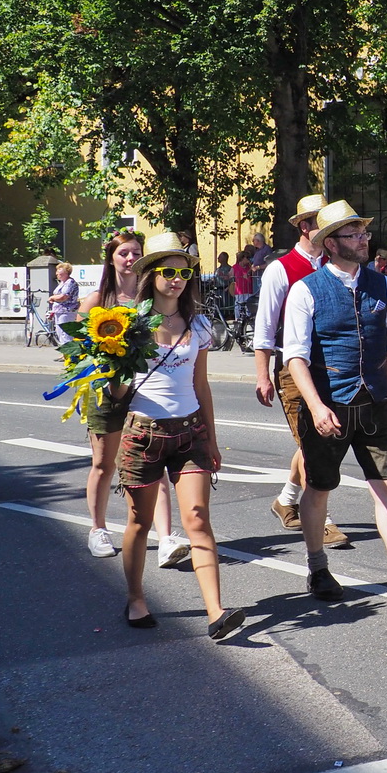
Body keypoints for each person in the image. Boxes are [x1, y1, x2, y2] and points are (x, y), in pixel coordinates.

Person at [283, 202, 387, 611]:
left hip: (374, 401)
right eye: (354, 234)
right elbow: (295, 358)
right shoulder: (306, 289)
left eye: (364, 233)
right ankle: (318, 567)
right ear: (331, 243)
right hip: (329, 405)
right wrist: (316, 407)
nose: (363, 240)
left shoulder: (382, 285)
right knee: (318, 488)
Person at [115, 234, 244, 641]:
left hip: (190, 433)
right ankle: (136, 598)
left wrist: (213, 439)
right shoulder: (130, 325)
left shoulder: (199, 324)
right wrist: (113, 362)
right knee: (139, 521)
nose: (177, 280)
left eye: (185, 273)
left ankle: (216, 611)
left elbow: (201, 386)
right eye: (169, 272)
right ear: (151, 276)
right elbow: (117, 393)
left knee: (198, 519)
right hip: (143, 433)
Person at [79, 229, 187, 565]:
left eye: (135, 253)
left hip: (143, 391)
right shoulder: (97, 300)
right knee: (104, 464)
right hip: (106, 392)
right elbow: (80, 350)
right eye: (123, 253)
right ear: (111, 258)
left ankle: (165, 538)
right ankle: (98, 529)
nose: (129, 259)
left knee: (155, 462)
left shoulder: (149, 301)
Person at [252, 193, 347, 548]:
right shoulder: (281, 269)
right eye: (321, 221)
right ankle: (323, 520)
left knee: (317, 440)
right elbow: (264, 328)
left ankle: (286, 500)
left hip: (332, 369)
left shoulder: (334, 265)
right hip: (294, 369)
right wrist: (263, 375)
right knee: (314, 444)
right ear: (305, 226)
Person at [48, 262, 81, 345]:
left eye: (59, 271)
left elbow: (63, 297)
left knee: (66, 334)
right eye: (57, 271)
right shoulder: (62, 283)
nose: (57, 273)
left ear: (66, 272)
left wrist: (52, 298)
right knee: (60, 333)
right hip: (59, 311)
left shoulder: (70, 282)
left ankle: (68, 351)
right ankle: (64, 350)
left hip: (67, 312)